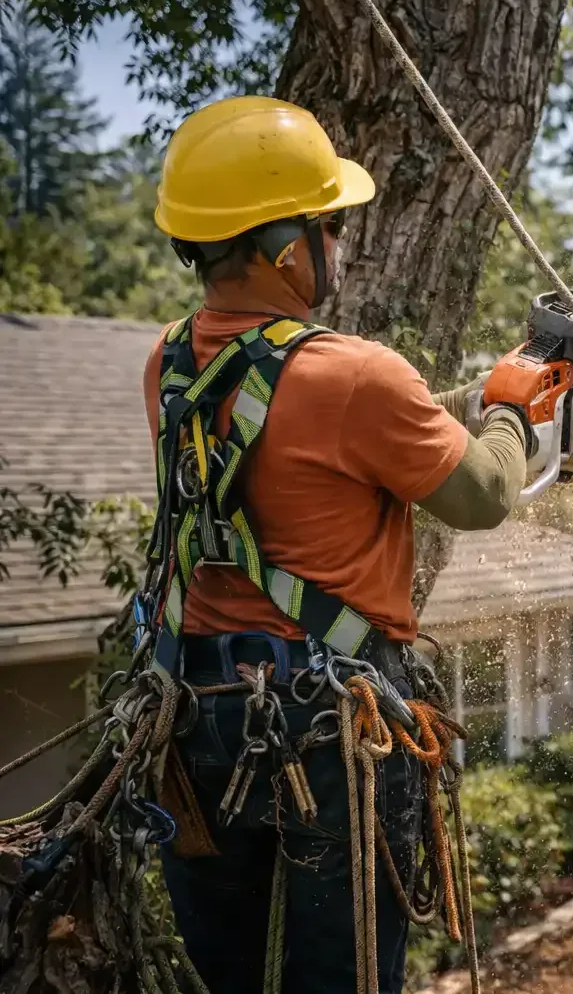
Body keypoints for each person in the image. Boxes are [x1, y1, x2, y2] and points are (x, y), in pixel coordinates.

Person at [144, 95, 528, 994]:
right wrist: (512, 414)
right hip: (327, 729)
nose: (341, 243)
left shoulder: (170, 362)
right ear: (286, 249)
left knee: (227, 977)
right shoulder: (357, 374)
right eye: (331, 226)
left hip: (197, 716)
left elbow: (311, 436)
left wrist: (462, 404)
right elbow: (483, 495)